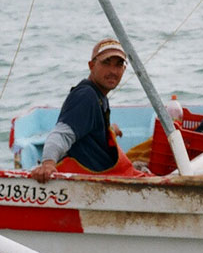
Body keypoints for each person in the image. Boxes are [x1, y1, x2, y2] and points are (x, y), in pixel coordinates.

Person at [31, 38, 137, 183]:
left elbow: (87, 128)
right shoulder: (86, 96)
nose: (113, 71)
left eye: (119, 65)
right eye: (106, 63)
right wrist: (48, 164)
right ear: (91, 65)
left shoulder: (99, 95)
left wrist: (110, 130)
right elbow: (61, 134)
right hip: (90, 181)